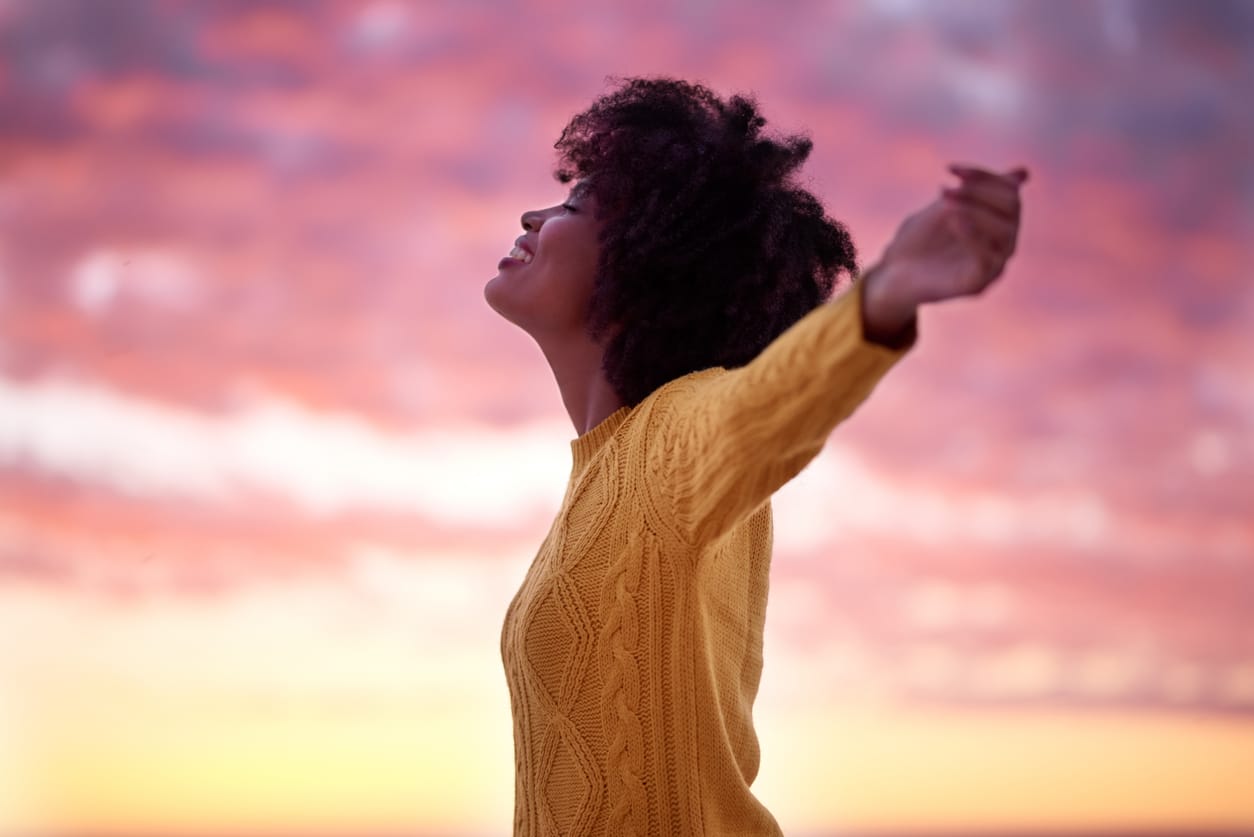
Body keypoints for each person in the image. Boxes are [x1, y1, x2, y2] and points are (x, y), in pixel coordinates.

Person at [484, 77, 1026, 837]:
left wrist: (885, 296)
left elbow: (764, 408)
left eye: (574, 205)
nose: (532, 214)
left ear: (648, 260)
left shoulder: (671, 437)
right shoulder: (606, 474)